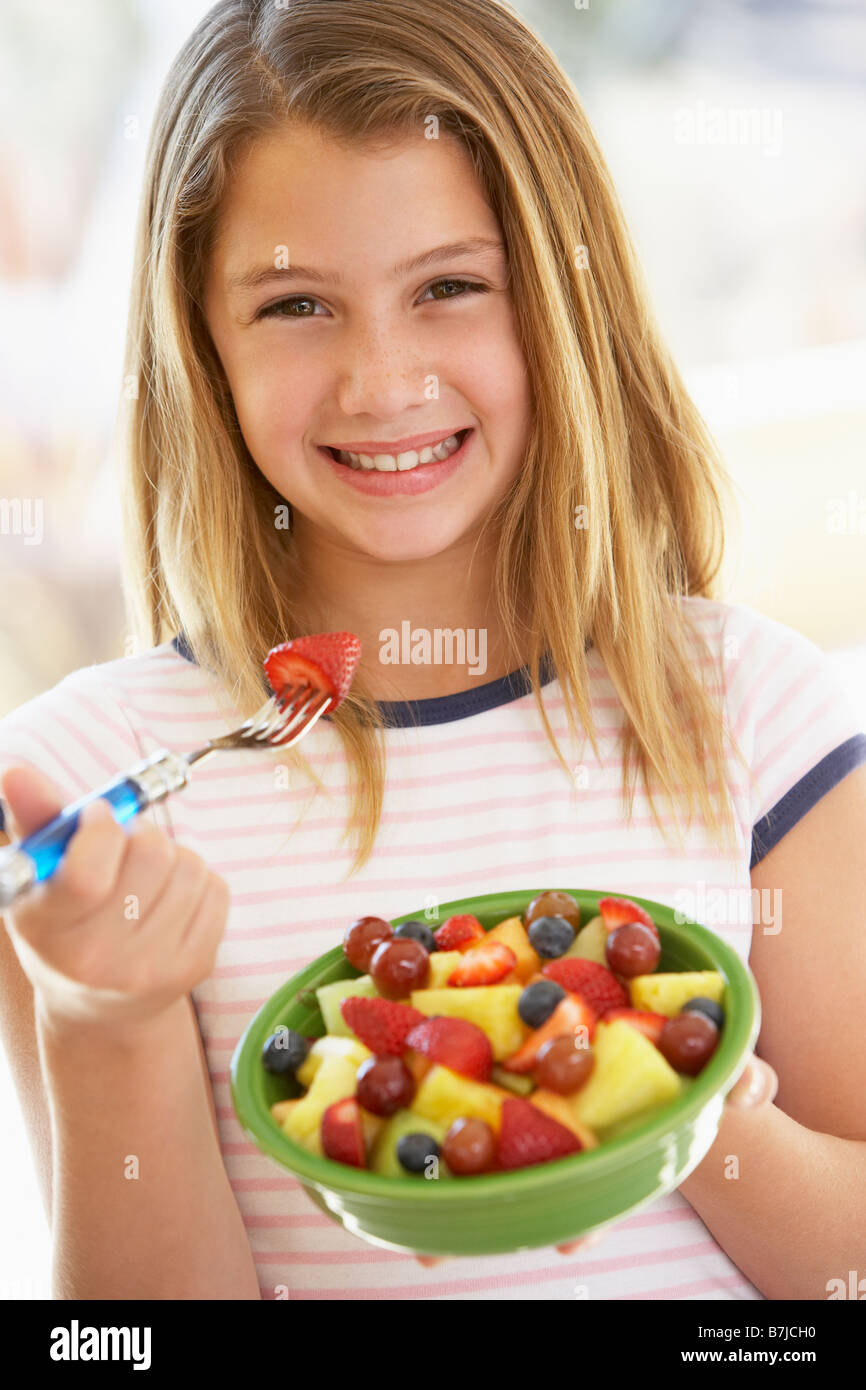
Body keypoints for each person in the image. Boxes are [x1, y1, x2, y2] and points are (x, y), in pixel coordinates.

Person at [1, 0, 864, 1301]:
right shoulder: (90, 789)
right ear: (201, 337)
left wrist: (643, 1086)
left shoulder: (756, 713)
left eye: (449, 286)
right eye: (296, 304)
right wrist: (103, 1020)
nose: (381, 380)